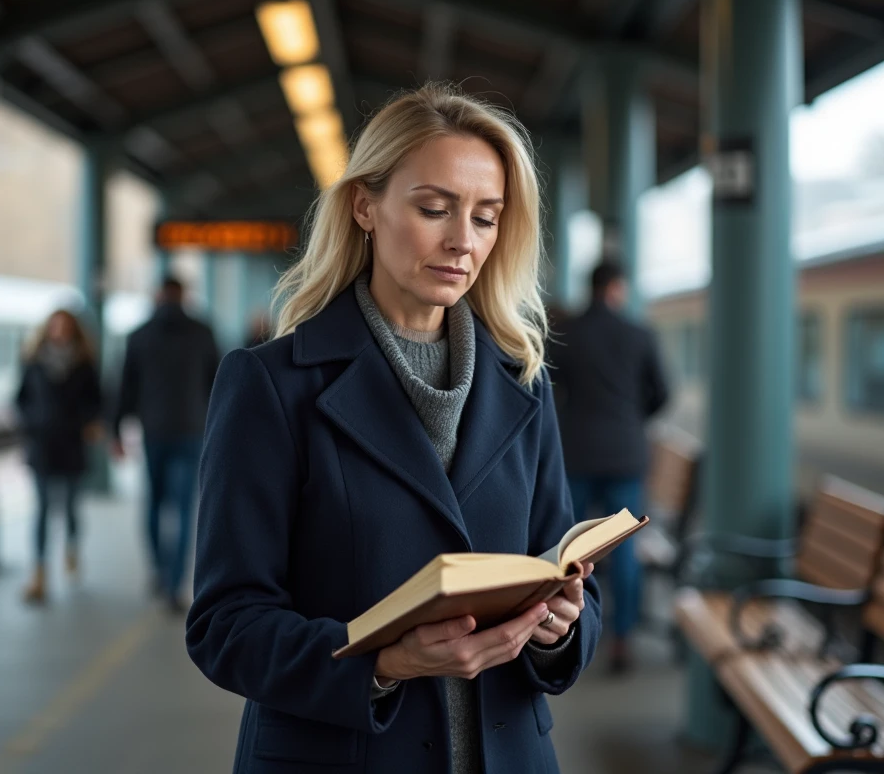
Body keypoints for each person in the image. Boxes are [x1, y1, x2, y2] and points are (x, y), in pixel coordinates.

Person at [186, 83, 602, 774]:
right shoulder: (271, 384)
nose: (462, 242)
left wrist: (561, 627)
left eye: (487, 217)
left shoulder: (524, 383)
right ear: (364, 206)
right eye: (434, 208)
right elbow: (225, 625)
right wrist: (384, 663)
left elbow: (560, 569)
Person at [548, 258, 669, 673]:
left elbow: (549, 386)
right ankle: (622, 641)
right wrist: (631, 420)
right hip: (624, 456)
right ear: (618, 288)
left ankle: (571, 629)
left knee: (570, 549)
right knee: (626, 550)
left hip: (576, 453)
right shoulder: (640, 334)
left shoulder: (566, 333)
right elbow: (662, 394)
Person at [112, 277, 220, 612]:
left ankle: (159, 570)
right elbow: (218, 384)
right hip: (192, 431)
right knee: (186, 507)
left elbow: (124, 388)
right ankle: (174, 585)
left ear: (158, 296)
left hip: (154, 431)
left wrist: (116, 431)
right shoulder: (203, 333)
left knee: (155, 504)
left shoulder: (139, 336)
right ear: (183, 296)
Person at [15, 309, 103, 604]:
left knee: (70, 507)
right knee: (40, 508)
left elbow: (97, 400)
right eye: (55, 325)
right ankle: (39, 573)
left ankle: (72, 547)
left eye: (65, 326)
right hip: (42, 445)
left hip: (72, 445)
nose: (59, 331)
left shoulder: (84, 364)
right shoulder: (33, 361)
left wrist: (88, 422)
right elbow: (20, 399)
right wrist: (33, 422)